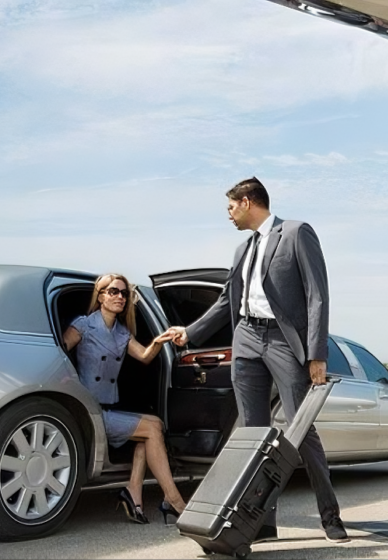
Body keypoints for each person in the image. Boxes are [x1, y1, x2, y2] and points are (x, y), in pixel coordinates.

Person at [167, 177, 348, 543]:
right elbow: (225, 302)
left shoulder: (296, 233)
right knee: (252, 435)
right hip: (246, 339)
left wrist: (317, 354)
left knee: (301, 429)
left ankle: (330, 517)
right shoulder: (241, 250)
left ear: (248, 202)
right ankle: (261, 522)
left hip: (283, 341)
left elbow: (317, 295)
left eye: (231, 207)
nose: (229, 215)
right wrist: (189, 332)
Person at [62, 273, 187, 525]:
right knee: (152, 428)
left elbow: (143, 356)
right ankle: (174, 500)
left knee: (151, 431)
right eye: (113, 291)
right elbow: (59, 353)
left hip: (108, 409)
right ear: (100, 296)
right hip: (90, 413)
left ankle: (134, 493)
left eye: (123, 293)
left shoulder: (121, 333)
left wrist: (159, 340)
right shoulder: (84, 325)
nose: (120, 297)